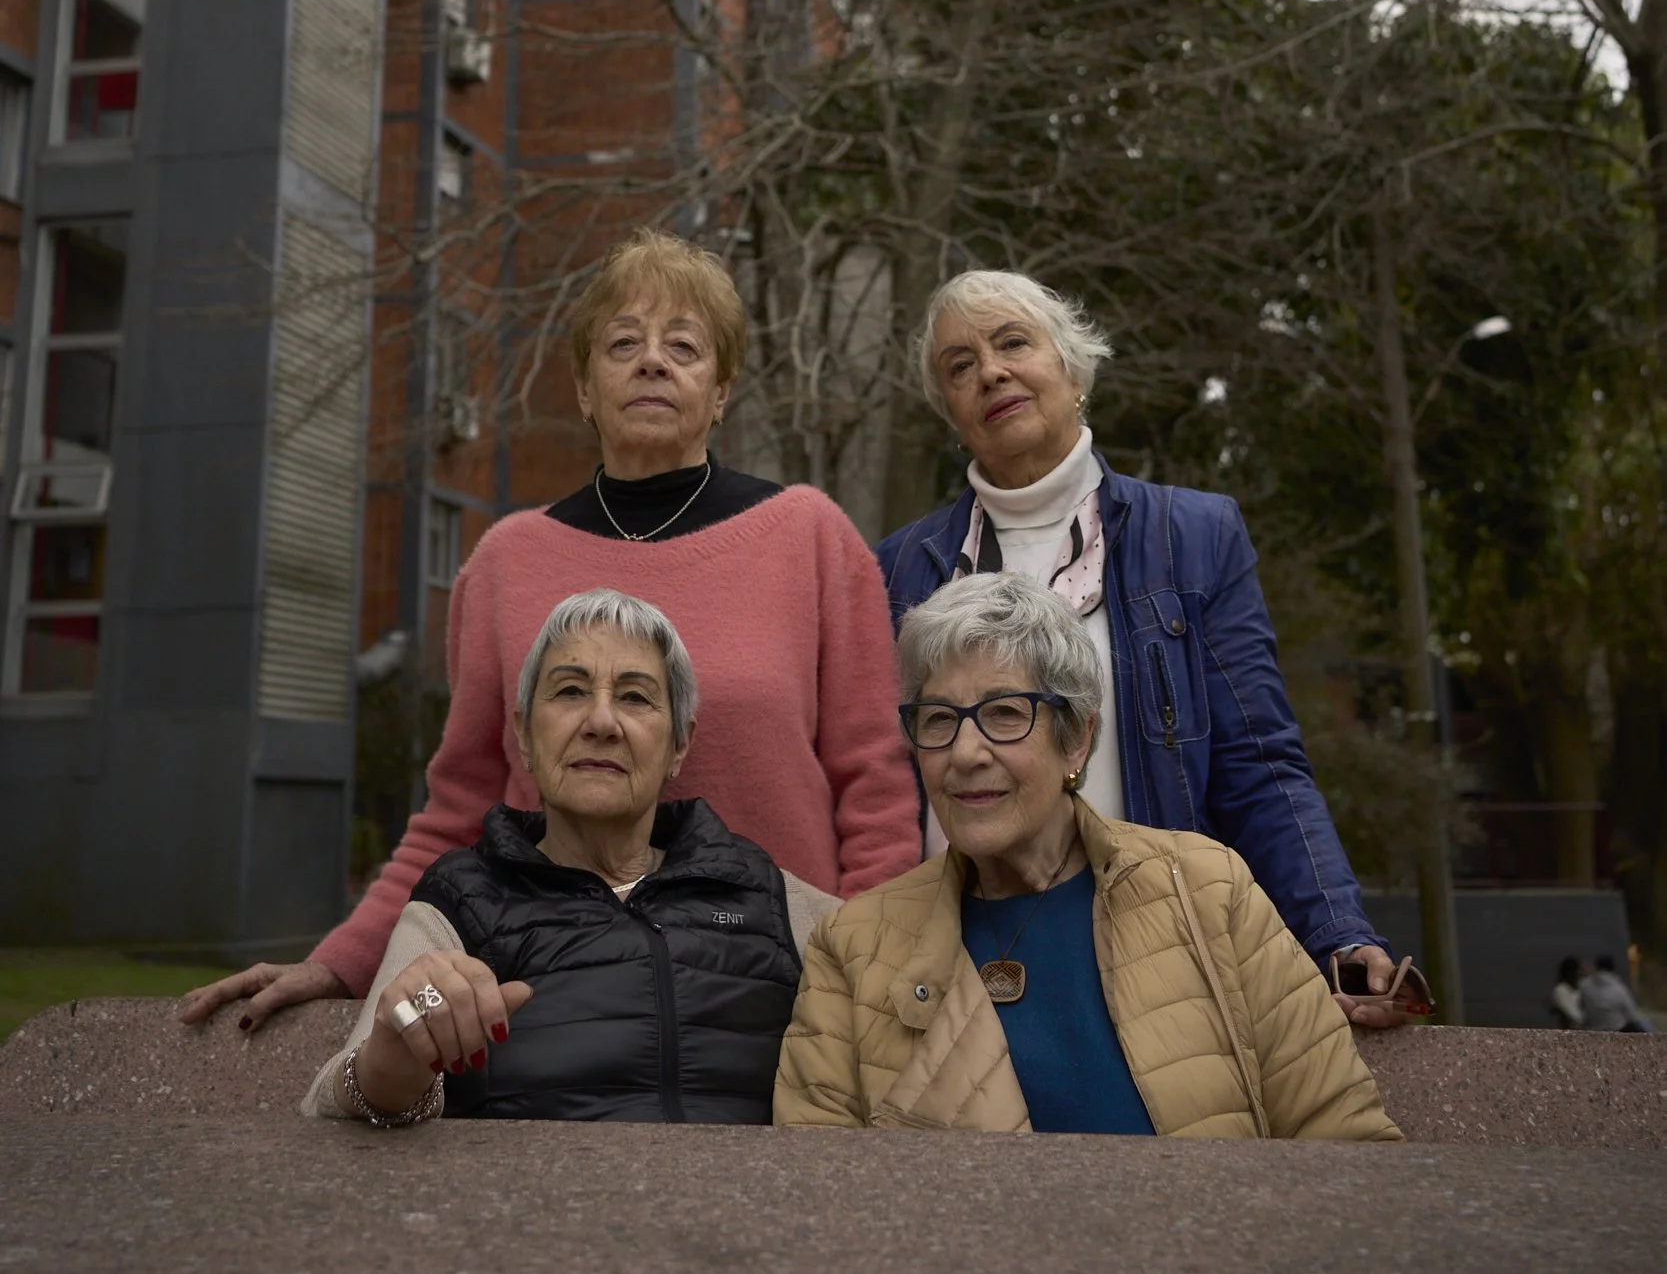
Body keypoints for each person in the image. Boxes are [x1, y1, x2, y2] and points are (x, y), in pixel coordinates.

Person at [185, 229, 918, 1034]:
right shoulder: (507, 562)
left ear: (720, 390)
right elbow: (459, 805)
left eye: (684, 346)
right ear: (581, 387)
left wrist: (874, 961)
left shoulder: (808, 538)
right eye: (622, 344)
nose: (652, 361)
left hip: (778, 989)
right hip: (556, 992)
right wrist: (343, 961)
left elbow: (874, 789)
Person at [874, 268, 1414, 1026]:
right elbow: (875, 787)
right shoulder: (898, 569)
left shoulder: (1192, 538)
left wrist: (1335, 931)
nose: (989, 371)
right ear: (952, 415)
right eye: (958, 366)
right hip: (956, 966)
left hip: (1156, 958)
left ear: (1072, 369)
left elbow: (1260, 764)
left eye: (1012, 343)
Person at [775, 576, 1399, 1138]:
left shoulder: (1210, 891)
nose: (964, 752)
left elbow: (1342, 1142)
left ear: (1077, 738)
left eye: (1003, 714)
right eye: (938, 720)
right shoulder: (853, 948)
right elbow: (820, 1196)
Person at [306, 592, 825, 1124]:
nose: (601, 721)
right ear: (525, 735)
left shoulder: (767, 894)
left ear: (679, 746)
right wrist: (392, 1066)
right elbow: (327, 1101)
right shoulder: (459, 901)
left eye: (635, 698)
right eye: (571, 691)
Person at [1578, 954, 1653, 1033]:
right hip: (1617, 1029)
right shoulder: (1618, 987)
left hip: (1594, 1028)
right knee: (1644, 1022)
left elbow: (1582, 1008)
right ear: (1613, 968)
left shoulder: (1585, 986)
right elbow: (1632, 1015)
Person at [1549, 956, 1587, 1028]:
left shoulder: (1584, 988)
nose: (1582, 974)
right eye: (1580, 971)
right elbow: (1573, 1015)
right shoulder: (1560, 990)